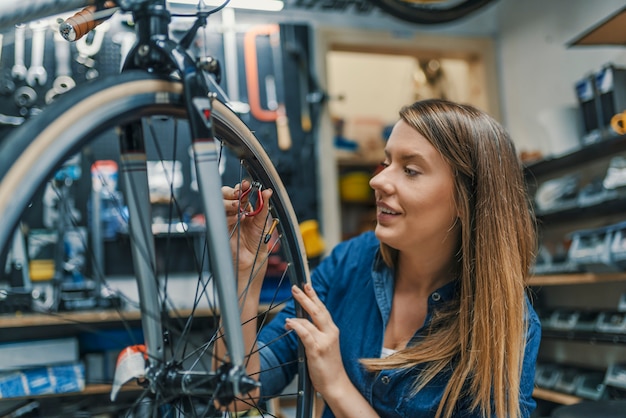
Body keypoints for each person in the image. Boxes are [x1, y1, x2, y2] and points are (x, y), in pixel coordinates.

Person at [222, 98, 541, 418]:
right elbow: (236, 395)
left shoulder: (507, 325)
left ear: (466, 198)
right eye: (386, 162)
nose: (377, 180)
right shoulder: (349, 263)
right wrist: (243, 271)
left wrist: (336, 384)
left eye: (410, 170)